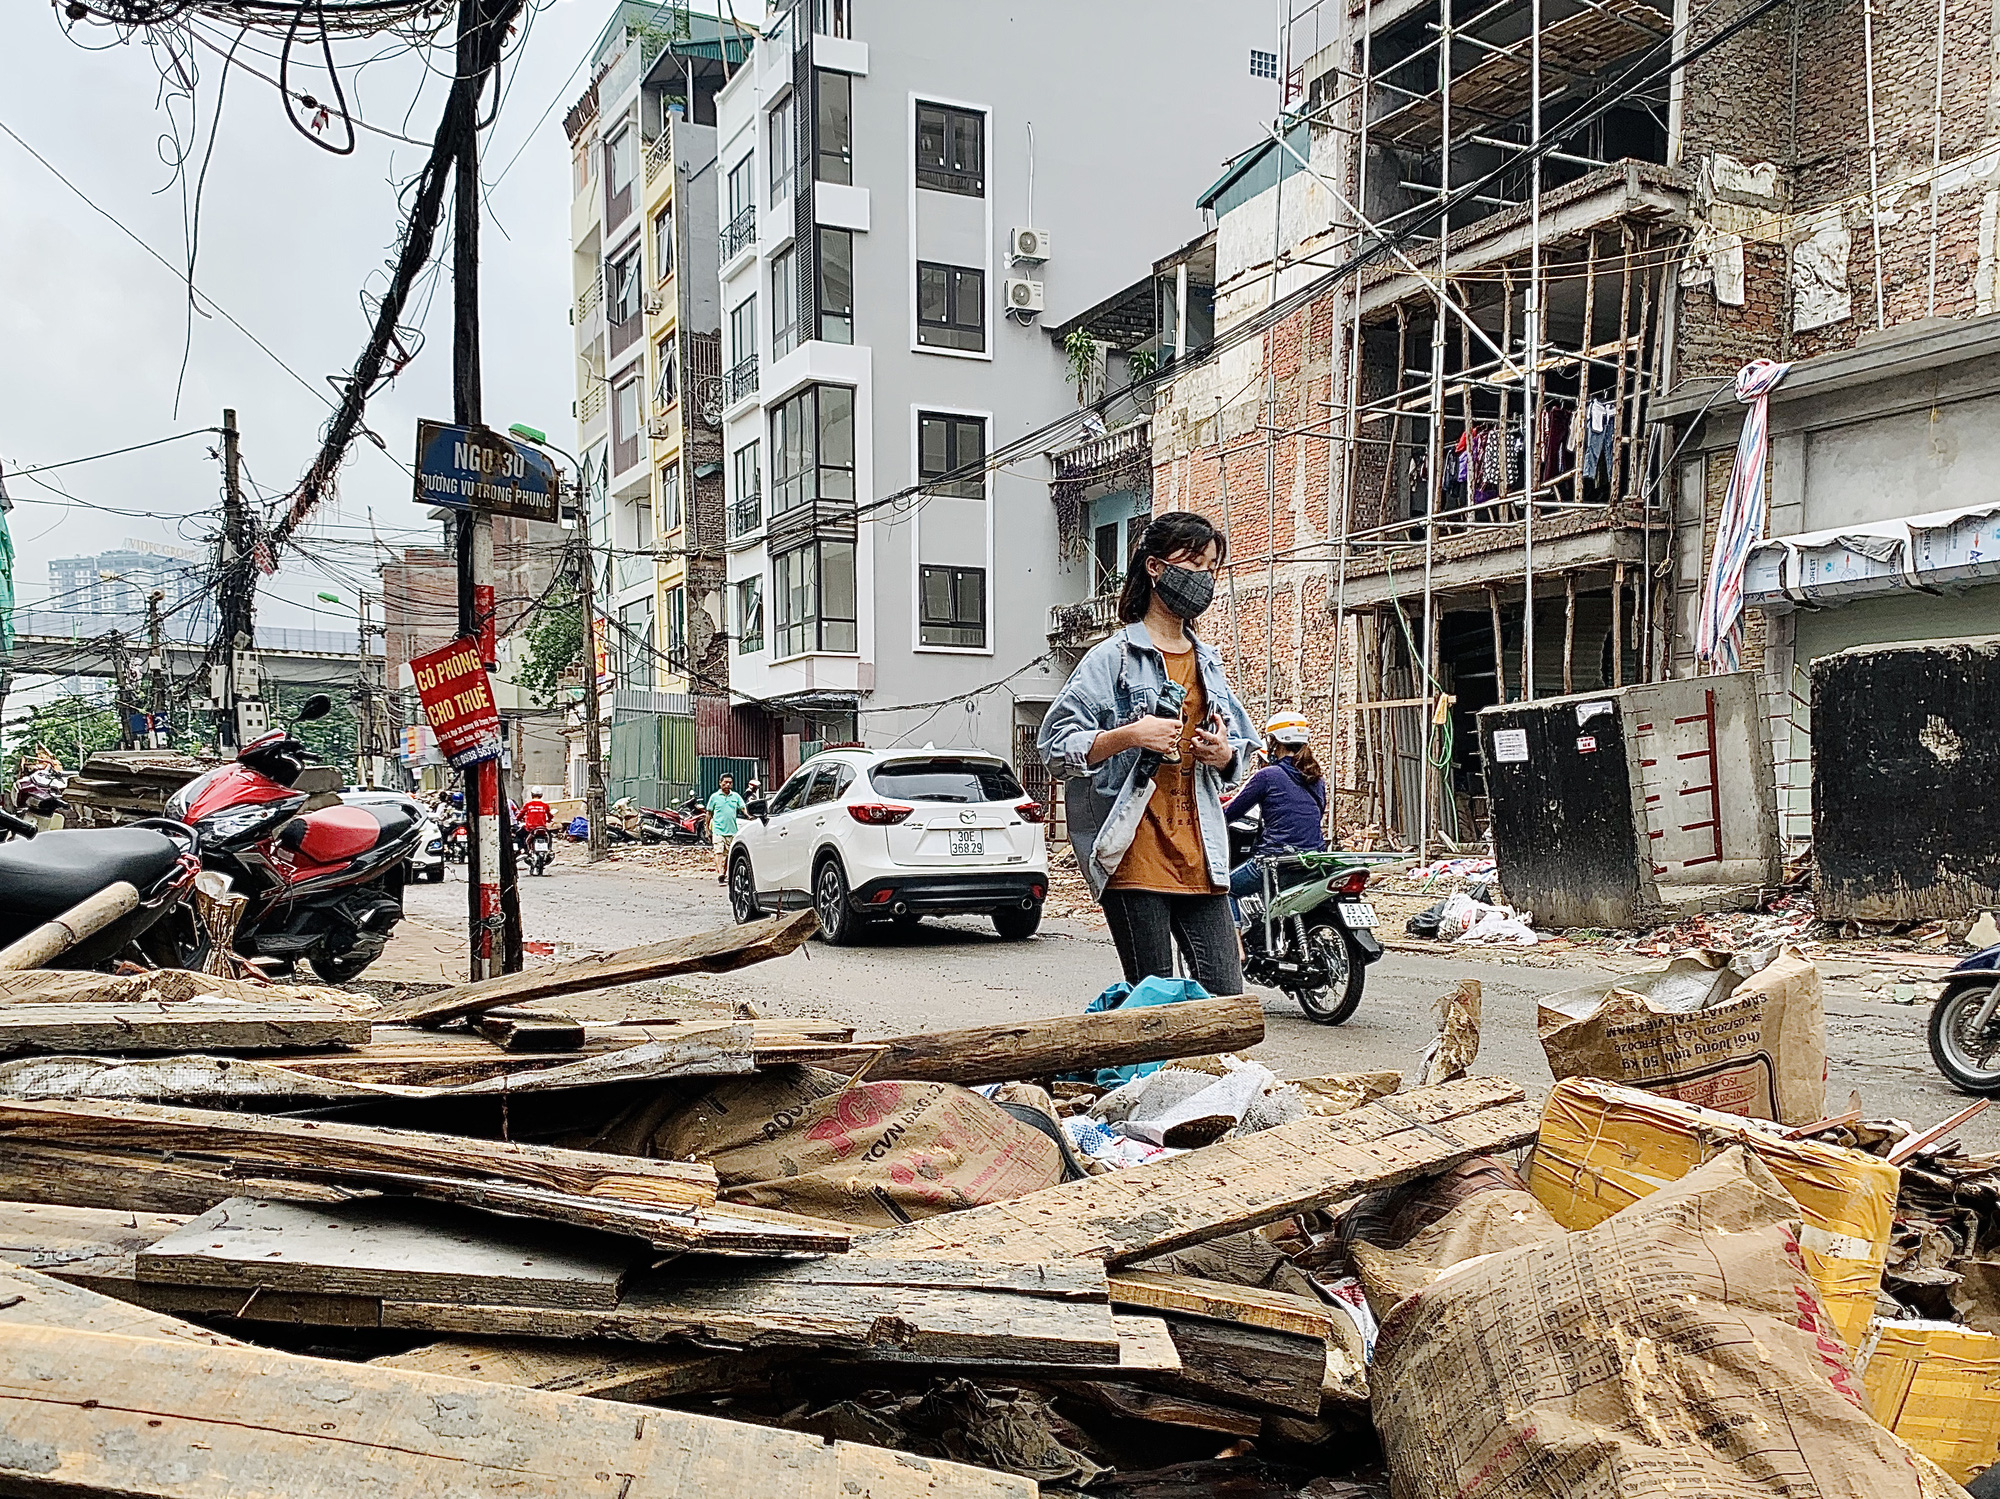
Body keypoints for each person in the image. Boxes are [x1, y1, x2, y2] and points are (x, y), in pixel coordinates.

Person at [1038, 511, 1257, 996]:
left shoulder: (1208, 661)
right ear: (1156, 567)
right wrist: (1132, 734)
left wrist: (1222, 755)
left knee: (1225, 997)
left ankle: (1208, 1077)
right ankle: (1154, 1076)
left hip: (1201, 852)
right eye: (1194, 562)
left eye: (1212, 567)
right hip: (1134, 852)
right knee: (1154, 1002)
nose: (1204, 577)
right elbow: (1054, 745)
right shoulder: (1112, 657)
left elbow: (1242, 747)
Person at [1226, 710, 1329, 909]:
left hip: (1276, 861)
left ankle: (1233, 941)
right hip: (1312, 860)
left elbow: (1230, 814)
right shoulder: (1317, 780)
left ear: (1273, 742)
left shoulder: (1267, 776)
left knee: (1226, 890)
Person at [705, 773, 749, 882]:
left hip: (732, 831)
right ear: (720, 783)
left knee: (729, 855)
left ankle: (724, 873)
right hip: (718, 830)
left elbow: (743, 808)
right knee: (718, 852)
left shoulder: (736, 797)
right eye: (725, 782)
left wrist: (749, 816)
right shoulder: (714, 797)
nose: (727, 784)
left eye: (730, 782)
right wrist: (707, 829)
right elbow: (709, 814)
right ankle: (720, 873)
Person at [517, 787, 552, 853]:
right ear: (541, 795)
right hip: (542, 828)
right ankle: (549, 849)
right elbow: (550, 816)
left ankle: (524, 850)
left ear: (531, 795)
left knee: (519, 834)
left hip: (530, 828)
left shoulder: (527, 805)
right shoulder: (545, 806)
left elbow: (519, 815)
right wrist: (549, 820)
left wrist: (518, 819)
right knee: (550, 836)